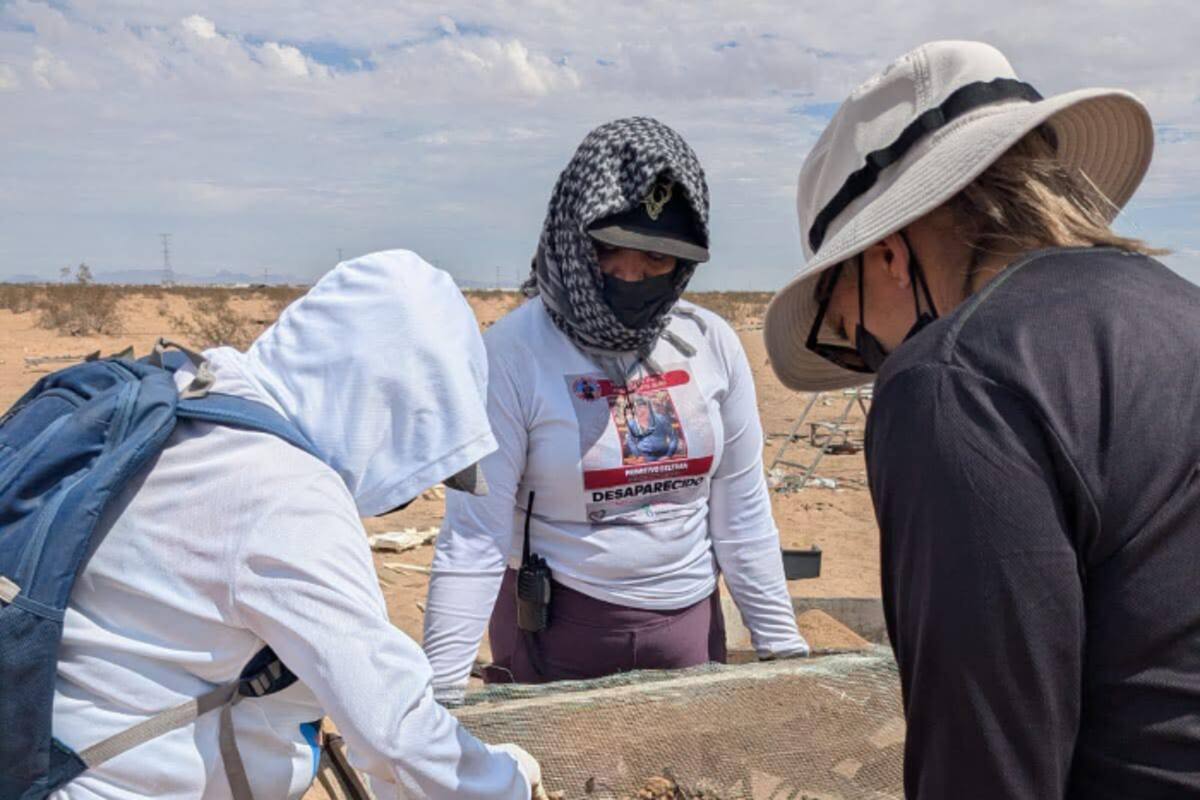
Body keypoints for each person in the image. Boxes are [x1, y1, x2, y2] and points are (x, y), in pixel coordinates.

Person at [764, 40, 1200, 798]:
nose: (871, 360)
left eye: (848, 326)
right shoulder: (1177, 310)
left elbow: (985, 762)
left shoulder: (954, 381)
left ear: (890, 256)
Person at [47, 251, 541, 798]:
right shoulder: (283, 494)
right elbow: (394, 730)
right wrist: (507, 782)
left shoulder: (196, 395)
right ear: (389, 406)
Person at [422, 116, 807, 698]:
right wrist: (441, 698)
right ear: (572, 241)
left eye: (657, 261)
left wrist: (784, 653)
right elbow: (473, 538)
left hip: (690, 634)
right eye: (610, 253)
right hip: (556, 632)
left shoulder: (711, 344)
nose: (632, 276)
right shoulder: (512, 354)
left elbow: (742, 515)